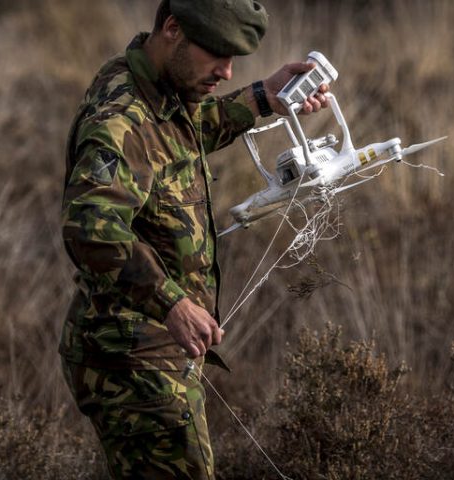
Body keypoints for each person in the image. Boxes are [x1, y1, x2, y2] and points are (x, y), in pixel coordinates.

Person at [58, 1, 330, 478]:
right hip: (135, 360)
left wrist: (265, 95)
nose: (226, 72)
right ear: (172, 29)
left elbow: (179, 135)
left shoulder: (155, 81)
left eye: (234, 60)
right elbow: (88, 225)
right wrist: (172, 304)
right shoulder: (120, 117)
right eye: (217, 55)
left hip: (153, 349)